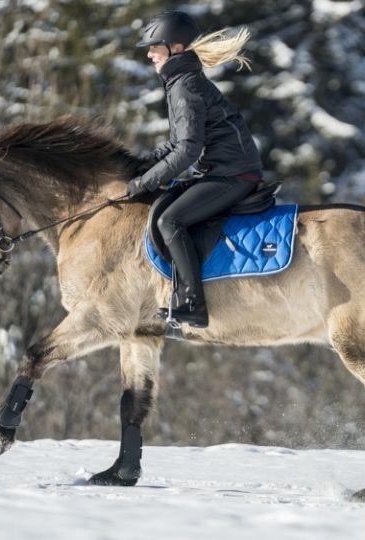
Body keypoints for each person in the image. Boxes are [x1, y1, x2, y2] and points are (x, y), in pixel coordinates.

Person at [127, 10, 263, 329]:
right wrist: (141, 166)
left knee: (170, 220)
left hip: (233, 174)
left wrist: (146, 182)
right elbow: (178, 142)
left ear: (175, 48)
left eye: (154, 47)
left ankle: (192, 302)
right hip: (224, 170)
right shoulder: (181, 81)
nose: (149, 54)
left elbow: (187, 150)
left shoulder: (184, 86)